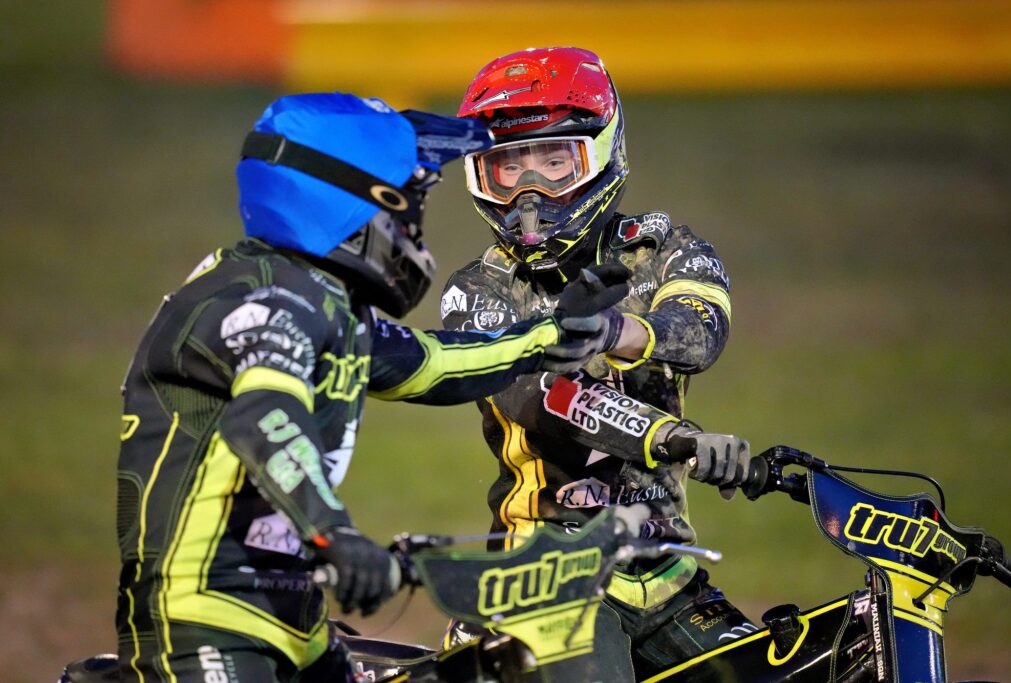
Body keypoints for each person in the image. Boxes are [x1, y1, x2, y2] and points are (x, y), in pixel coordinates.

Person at [114, 92, 633, 682]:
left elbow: (432, 363)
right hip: (204, 617)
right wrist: (336, 536)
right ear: (354, 203)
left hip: (295, 620)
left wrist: (552, 334)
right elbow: (263, 418)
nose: (414, 226)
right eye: (409, 203)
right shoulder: (258, 301)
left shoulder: (324, 303)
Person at [440, 47, 755, 680]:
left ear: (603, 154)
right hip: (545, 571)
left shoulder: (664, 249)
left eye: (554, 162)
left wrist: (616, 331)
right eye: (508, 168)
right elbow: (544, 400)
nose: (529, 192)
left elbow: (701, 332)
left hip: (665, 569)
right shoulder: (475, 291)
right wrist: (675, 438)